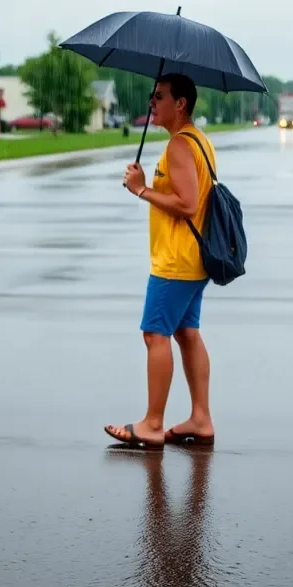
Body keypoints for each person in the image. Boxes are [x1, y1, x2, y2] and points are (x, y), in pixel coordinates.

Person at [104, 73, 217, 451]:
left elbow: (188, 204)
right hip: (192, 259)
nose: (152, 103)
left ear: (180, 103)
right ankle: (200, 418)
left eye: (159, 97)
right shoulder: (197, 141)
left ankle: (152, 423)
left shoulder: (180, 148)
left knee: (155, 335)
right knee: (186, 334)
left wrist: (141, 190)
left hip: (176, 261)